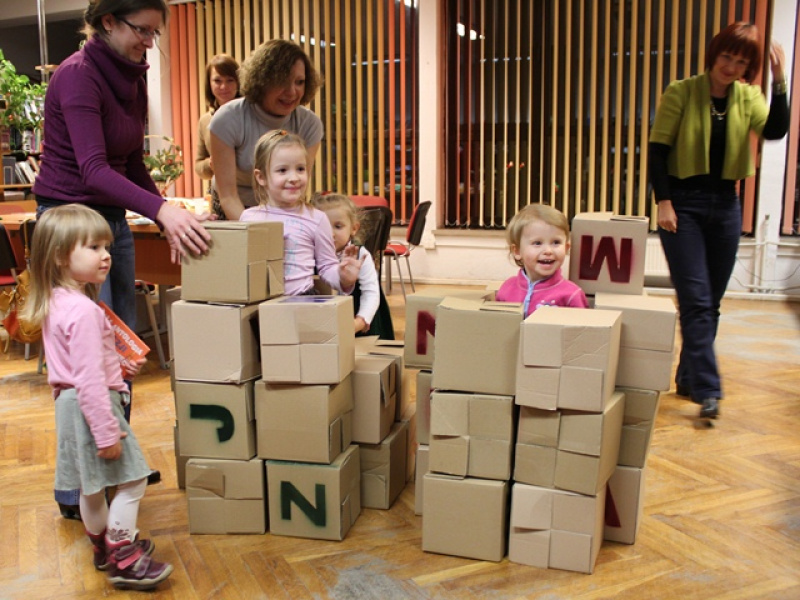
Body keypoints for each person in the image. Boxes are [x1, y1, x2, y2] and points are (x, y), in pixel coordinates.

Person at [31, 0, 212, 518]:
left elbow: (130, 162)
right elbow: (92, 168)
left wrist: (164, 215)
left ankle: (113, 461)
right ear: (107, 21)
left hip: (110, 220)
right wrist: (161, 210)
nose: (149, 43)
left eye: (156, 33)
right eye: (142, 30)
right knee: (87, 358)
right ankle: (78, 489)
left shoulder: (131, 76)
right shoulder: (77, 76)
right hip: (71, 224)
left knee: (120, 354)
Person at [22, 204, 173, 591]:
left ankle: (103, 549)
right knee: (132, 481)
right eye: (93, 247)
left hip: (69, 406)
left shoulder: (56, 300)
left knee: (91, 485)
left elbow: (74, 368)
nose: (106, 255)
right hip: (94, 407)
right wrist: (106, 431)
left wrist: (118, 370)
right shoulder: (86, 312)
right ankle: (124, 555)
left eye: (106, 246)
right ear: (61, 256)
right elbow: (89, 380)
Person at [649, 22, 789, 420]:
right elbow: (658, 151)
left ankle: (688, 377)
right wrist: (664, 203)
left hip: (726, 205)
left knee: (710, 302)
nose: (731, 67)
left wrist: (779, 80)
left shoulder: (748, 97)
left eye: (741, 62)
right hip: (683, 205)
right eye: (727, 56)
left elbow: (775, 130)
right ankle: (708, 389)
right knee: (696, 300)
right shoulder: (681, 92)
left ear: (749, 67)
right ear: (714, 54)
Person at [209, 39, 324, 220]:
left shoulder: (309, 124)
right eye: (282, 82)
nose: (292, 92)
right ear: (261, 81)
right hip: (233, 206)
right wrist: (257, 233)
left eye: (299, 82)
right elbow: (228, 196)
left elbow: (297, 189)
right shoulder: (227, 119)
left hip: (281, 205)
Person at [240, 130, 362, 295]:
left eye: (300, 169)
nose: (294, 178)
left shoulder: (317, 218)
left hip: (301, 300)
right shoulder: (249, 217)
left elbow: (327, 266)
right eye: (282, 170)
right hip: (259, 303)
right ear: (261, 177)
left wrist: (344, 278)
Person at [311, 193, 395, 339]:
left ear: (354, 228)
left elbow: (371, 292)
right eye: (323, 227)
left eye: (338, 226)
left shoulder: (361, 255)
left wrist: (360, 321)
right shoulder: (310, 253)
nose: (331, 234)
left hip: (358, 320)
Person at [496, 203, 588, 315]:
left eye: (556, 242)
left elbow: (582, 325)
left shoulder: (571, 294)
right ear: (517, 251)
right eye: (537, 243)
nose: (548, 251)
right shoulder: (507, 289)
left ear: (566, 248)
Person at [194, 53, 240, 182]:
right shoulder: (205, 121)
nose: (224, 87)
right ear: (209, 83)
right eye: (217, 81)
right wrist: (210, 163)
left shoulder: (251, 114)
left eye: (230, 80)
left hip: (251, 191)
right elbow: (198, 166)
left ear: (238, 82)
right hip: (219, 190)